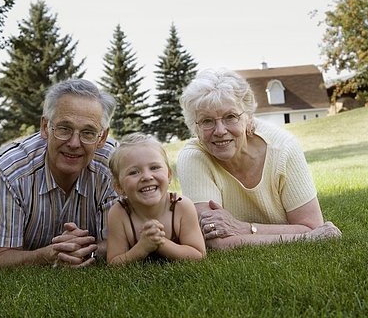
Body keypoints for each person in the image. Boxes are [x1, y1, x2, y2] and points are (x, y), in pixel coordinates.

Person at [177, 68, 342, 250]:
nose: (220, 130)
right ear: (195, 127)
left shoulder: (283, 148)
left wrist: (243, 228)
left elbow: (312, 227)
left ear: (248, 118)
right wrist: (304, 237)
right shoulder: (193, 157)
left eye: (230, 117)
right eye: (207, 121)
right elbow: (214, 240)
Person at [0, 79, 117, 267]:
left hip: (51, 229)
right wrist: (50, 255)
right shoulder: (9, 167)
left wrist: (84, 251)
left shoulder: (115, 163)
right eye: (64, 128)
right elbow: (3, 258)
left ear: (102, 137)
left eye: (88, 132)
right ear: (45, 127)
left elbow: (117, 242)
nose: (74, 143)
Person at [106, 133, 206, 264]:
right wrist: (141, 248)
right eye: (134, 172)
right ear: (119, 187)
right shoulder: (119, 213)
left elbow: (198, 254)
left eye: (154, 167)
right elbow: (114, 262)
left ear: (169, 175)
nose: (147, 177)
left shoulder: (182, 207)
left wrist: (161, 243)